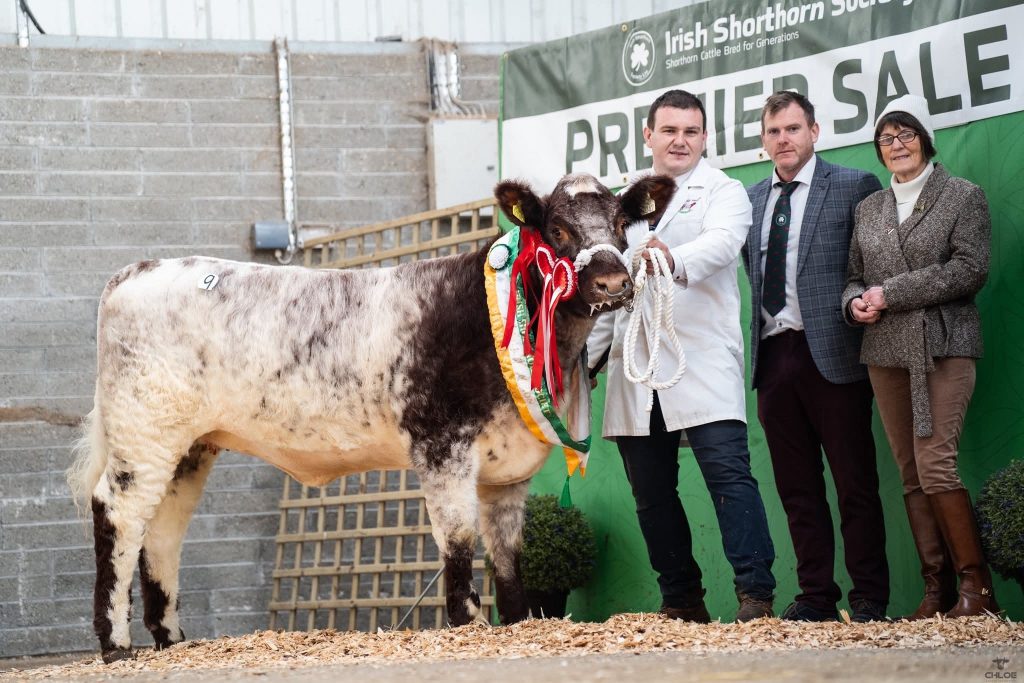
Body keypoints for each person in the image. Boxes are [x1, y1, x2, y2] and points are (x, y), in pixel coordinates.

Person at [588, 89, 776, 623]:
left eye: (691, 131)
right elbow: (606, 295)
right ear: (648, 135)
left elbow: (722, 244)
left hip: (701, 359)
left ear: (704, 138)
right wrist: (587, 364)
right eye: (669, 130)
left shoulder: (725, 191)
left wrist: (668, 257)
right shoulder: (622, 203)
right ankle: (681, 601)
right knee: (650, 494)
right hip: (635, 366)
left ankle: (755, 596)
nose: (680, 140)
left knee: (729, 477)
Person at [842, 94, 997, 619]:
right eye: (887, 138)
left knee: (936, 463)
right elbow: (855, 276)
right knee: (910, 471)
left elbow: (970, 269)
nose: (897, 145)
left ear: (925, 140)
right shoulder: (869, 208)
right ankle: (937, 592)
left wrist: (892, 293)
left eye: (906, 133)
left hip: (944, 344)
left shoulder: (961, 195)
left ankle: (978, 589)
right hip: (884, 349)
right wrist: (856, 302)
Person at [742, 91, 889, 622]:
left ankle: (870, 597)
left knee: (855, 483)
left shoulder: (854, 185)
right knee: (797, 488)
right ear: (764, 142)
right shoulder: (750, 201)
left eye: (793, 129)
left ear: (814, 132)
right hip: (773, 358)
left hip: (834, 354)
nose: (784, 139)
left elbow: (873, 261)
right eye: (774, 132)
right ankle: (815, 597)